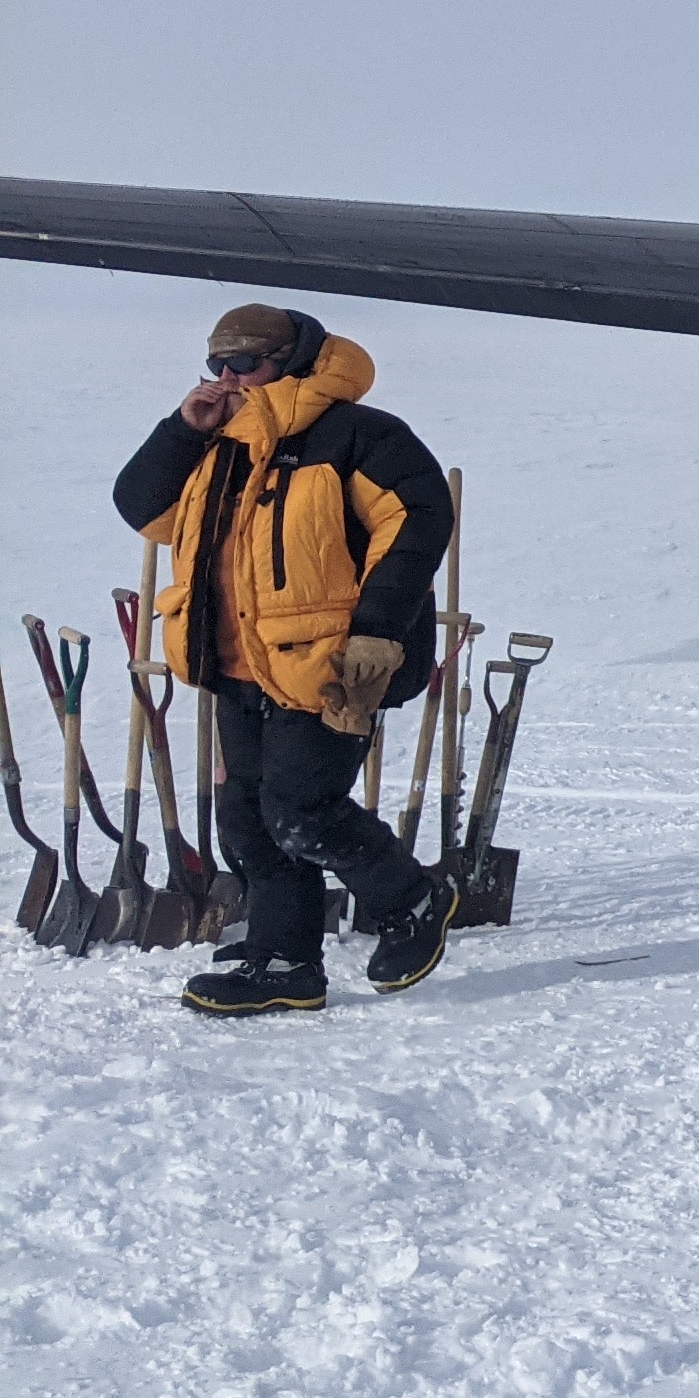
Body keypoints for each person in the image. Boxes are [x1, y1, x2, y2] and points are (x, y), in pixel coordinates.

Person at [115, 305, 461, 1017]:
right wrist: (184, 430)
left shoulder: (361, 435)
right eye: (219, 364)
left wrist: (376, 634)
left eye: (246, 362)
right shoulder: (221, 445)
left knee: (300, 809)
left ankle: (413, 897)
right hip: (237, 663)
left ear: (293, 357)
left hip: (329, 664)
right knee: (245, 818)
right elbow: (143, 508)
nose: (230, 377)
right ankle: (285, 960)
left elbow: (419, 521)